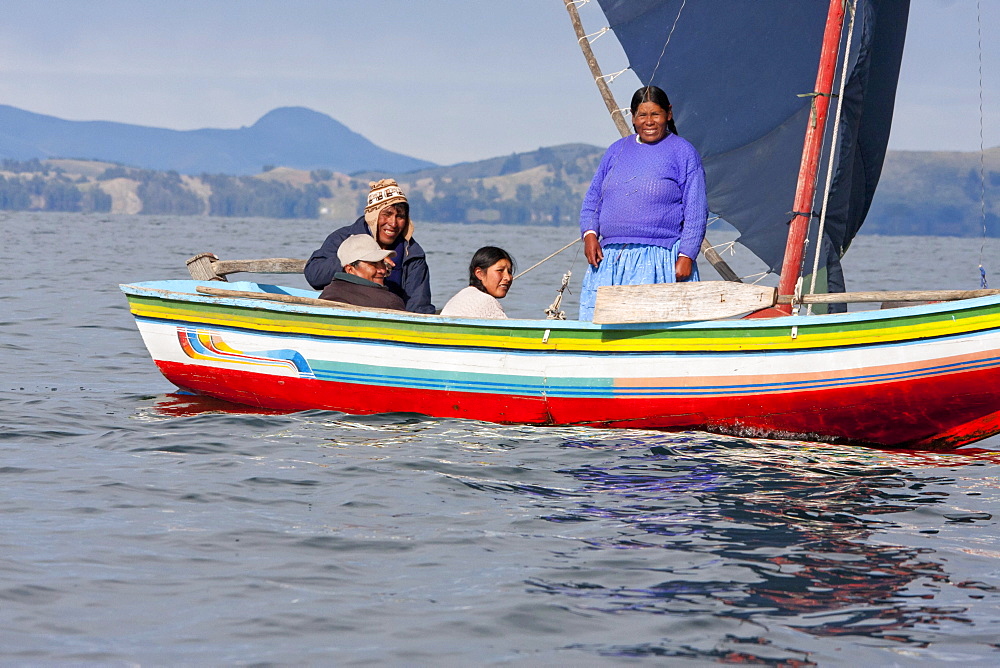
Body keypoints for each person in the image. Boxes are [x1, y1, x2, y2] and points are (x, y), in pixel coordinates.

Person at [578, 85, 708, 321]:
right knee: (603, 334)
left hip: (660, 259)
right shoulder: (616, 151)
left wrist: (687, 255)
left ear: (668, 113)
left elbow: (696, 210)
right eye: (642, 115)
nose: (649, 121)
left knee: (656, 332)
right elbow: (593, 199)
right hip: (610, 261)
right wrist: (589, 235)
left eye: (655, 114)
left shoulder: (683, 152)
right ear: (633, 117)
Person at [305, 178, 434, 313]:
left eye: (400, 216)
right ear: (373, 215)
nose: (393, 223)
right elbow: (314, 276)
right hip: (341, 310)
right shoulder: (344, 238)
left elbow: (418, 304)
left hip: (391, 316)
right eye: (387, 214)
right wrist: (358, 257)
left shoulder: (412, 253)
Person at [317, 235, 406, 310]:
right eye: (373, 263)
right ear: (350, 269)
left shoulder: (328, 293)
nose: (382, 270)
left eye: (382, 262)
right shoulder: (390, 302)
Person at [440, 247, 515, 319]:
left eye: (509, 272)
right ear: (479, 273)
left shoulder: (461, 296)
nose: (508, 278)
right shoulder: (486, 301)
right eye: (500, 270)